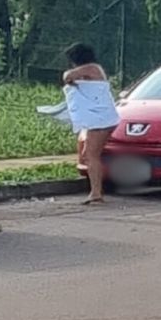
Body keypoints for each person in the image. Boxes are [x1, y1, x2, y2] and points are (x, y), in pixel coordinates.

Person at [62, 43, 119, 205]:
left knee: (92, 155)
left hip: (100, 120)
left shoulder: (91, 68)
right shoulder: (92, 70)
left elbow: (67, 76)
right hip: (100, 118)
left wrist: (72, 79)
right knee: (88, 153)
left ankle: (96, 192)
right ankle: (95, 190)